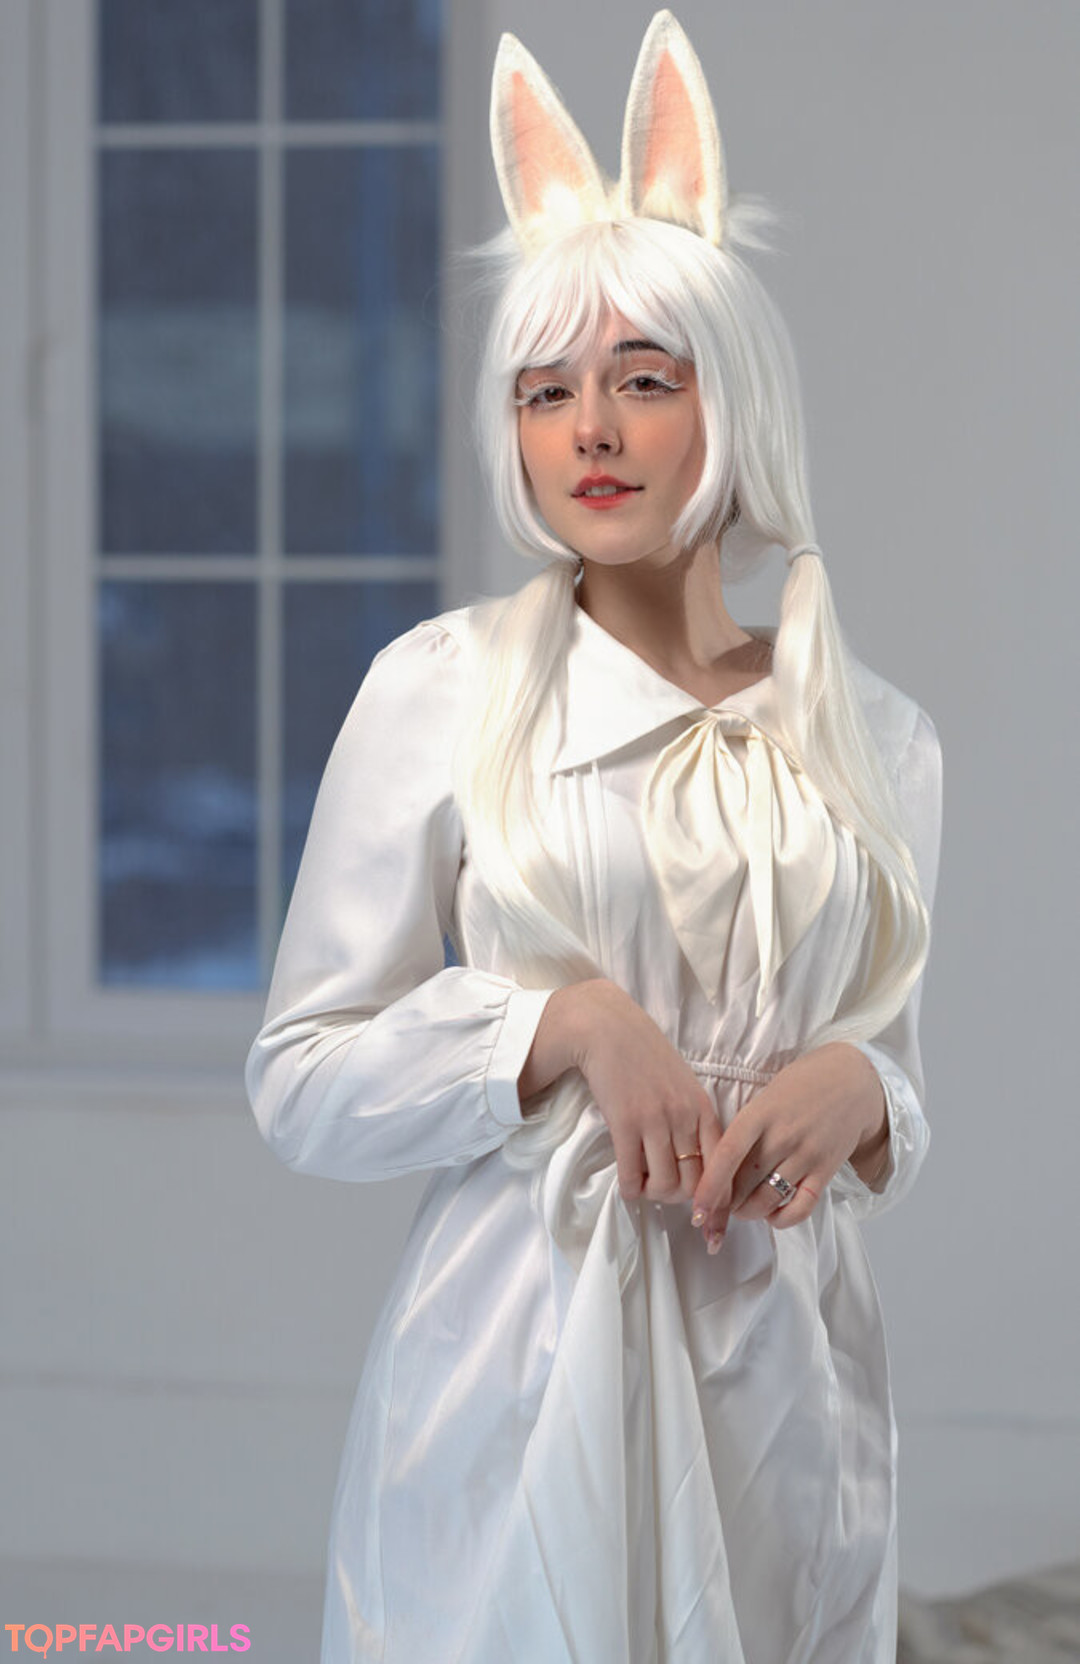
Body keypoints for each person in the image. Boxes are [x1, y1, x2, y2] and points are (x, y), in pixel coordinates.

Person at [245, 12, 943, 1661]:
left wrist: (867, 1093)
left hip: (783, 1384)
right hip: (517, 1372)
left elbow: (894, 1074)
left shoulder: (877, 735)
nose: (592, 432)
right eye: (546, 392)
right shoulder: (443, 690)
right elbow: (301, 1076)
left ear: (732, 395)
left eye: (643, 379)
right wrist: (556, 1027)